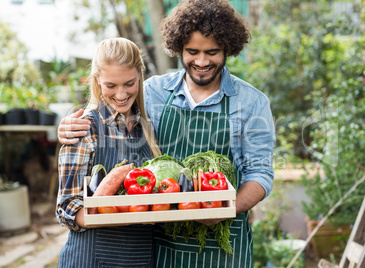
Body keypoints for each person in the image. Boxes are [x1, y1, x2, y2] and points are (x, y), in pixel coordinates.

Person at [57, 0, 275, 267]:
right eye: (192, 51)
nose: (202, 61)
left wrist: (224, 209)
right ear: (178, 48)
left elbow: (260, 173)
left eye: (213, 52)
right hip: (160, 247)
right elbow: (111, 106)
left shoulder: (252, 102)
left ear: (228, 48)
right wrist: (70, 126)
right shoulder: (152, 92)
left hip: (222, 242)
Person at [56, 37, 161, 268]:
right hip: (91, 260)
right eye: (111, 86)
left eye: (129, 83)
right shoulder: (85, 129)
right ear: (97, 80)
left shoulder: (147, 128)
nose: (121, 95)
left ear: (140, 76)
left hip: (139, 259)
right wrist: (116, 213)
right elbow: (66, 208)